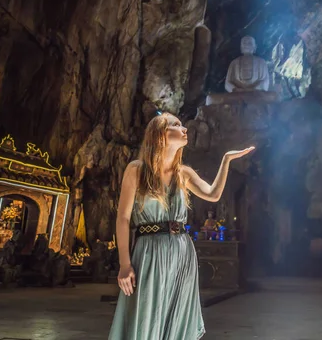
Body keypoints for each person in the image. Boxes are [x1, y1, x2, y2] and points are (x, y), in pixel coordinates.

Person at [108, 112, 254, 340]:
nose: (184, 128)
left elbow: (213, 194)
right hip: (149, 251)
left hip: (181, 250)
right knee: (147, 312)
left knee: (176, 315)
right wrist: (124, 264)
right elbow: (123, 219)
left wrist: (226, 160)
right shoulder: (137, 170)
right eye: (176, 125)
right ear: (160, 134)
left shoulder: (183, 174)